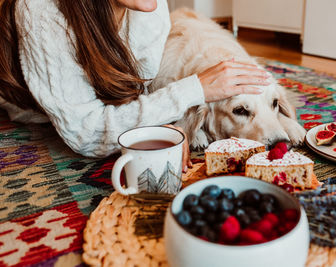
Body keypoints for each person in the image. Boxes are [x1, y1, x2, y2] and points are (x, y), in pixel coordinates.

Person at [0, 0, 270, 171]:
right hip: (27, 102)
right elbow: (87, 133)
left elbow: (135, 92)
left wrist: (150, 122)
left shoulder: (149, 8)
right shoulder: (41, 9)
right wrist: (195, 88)